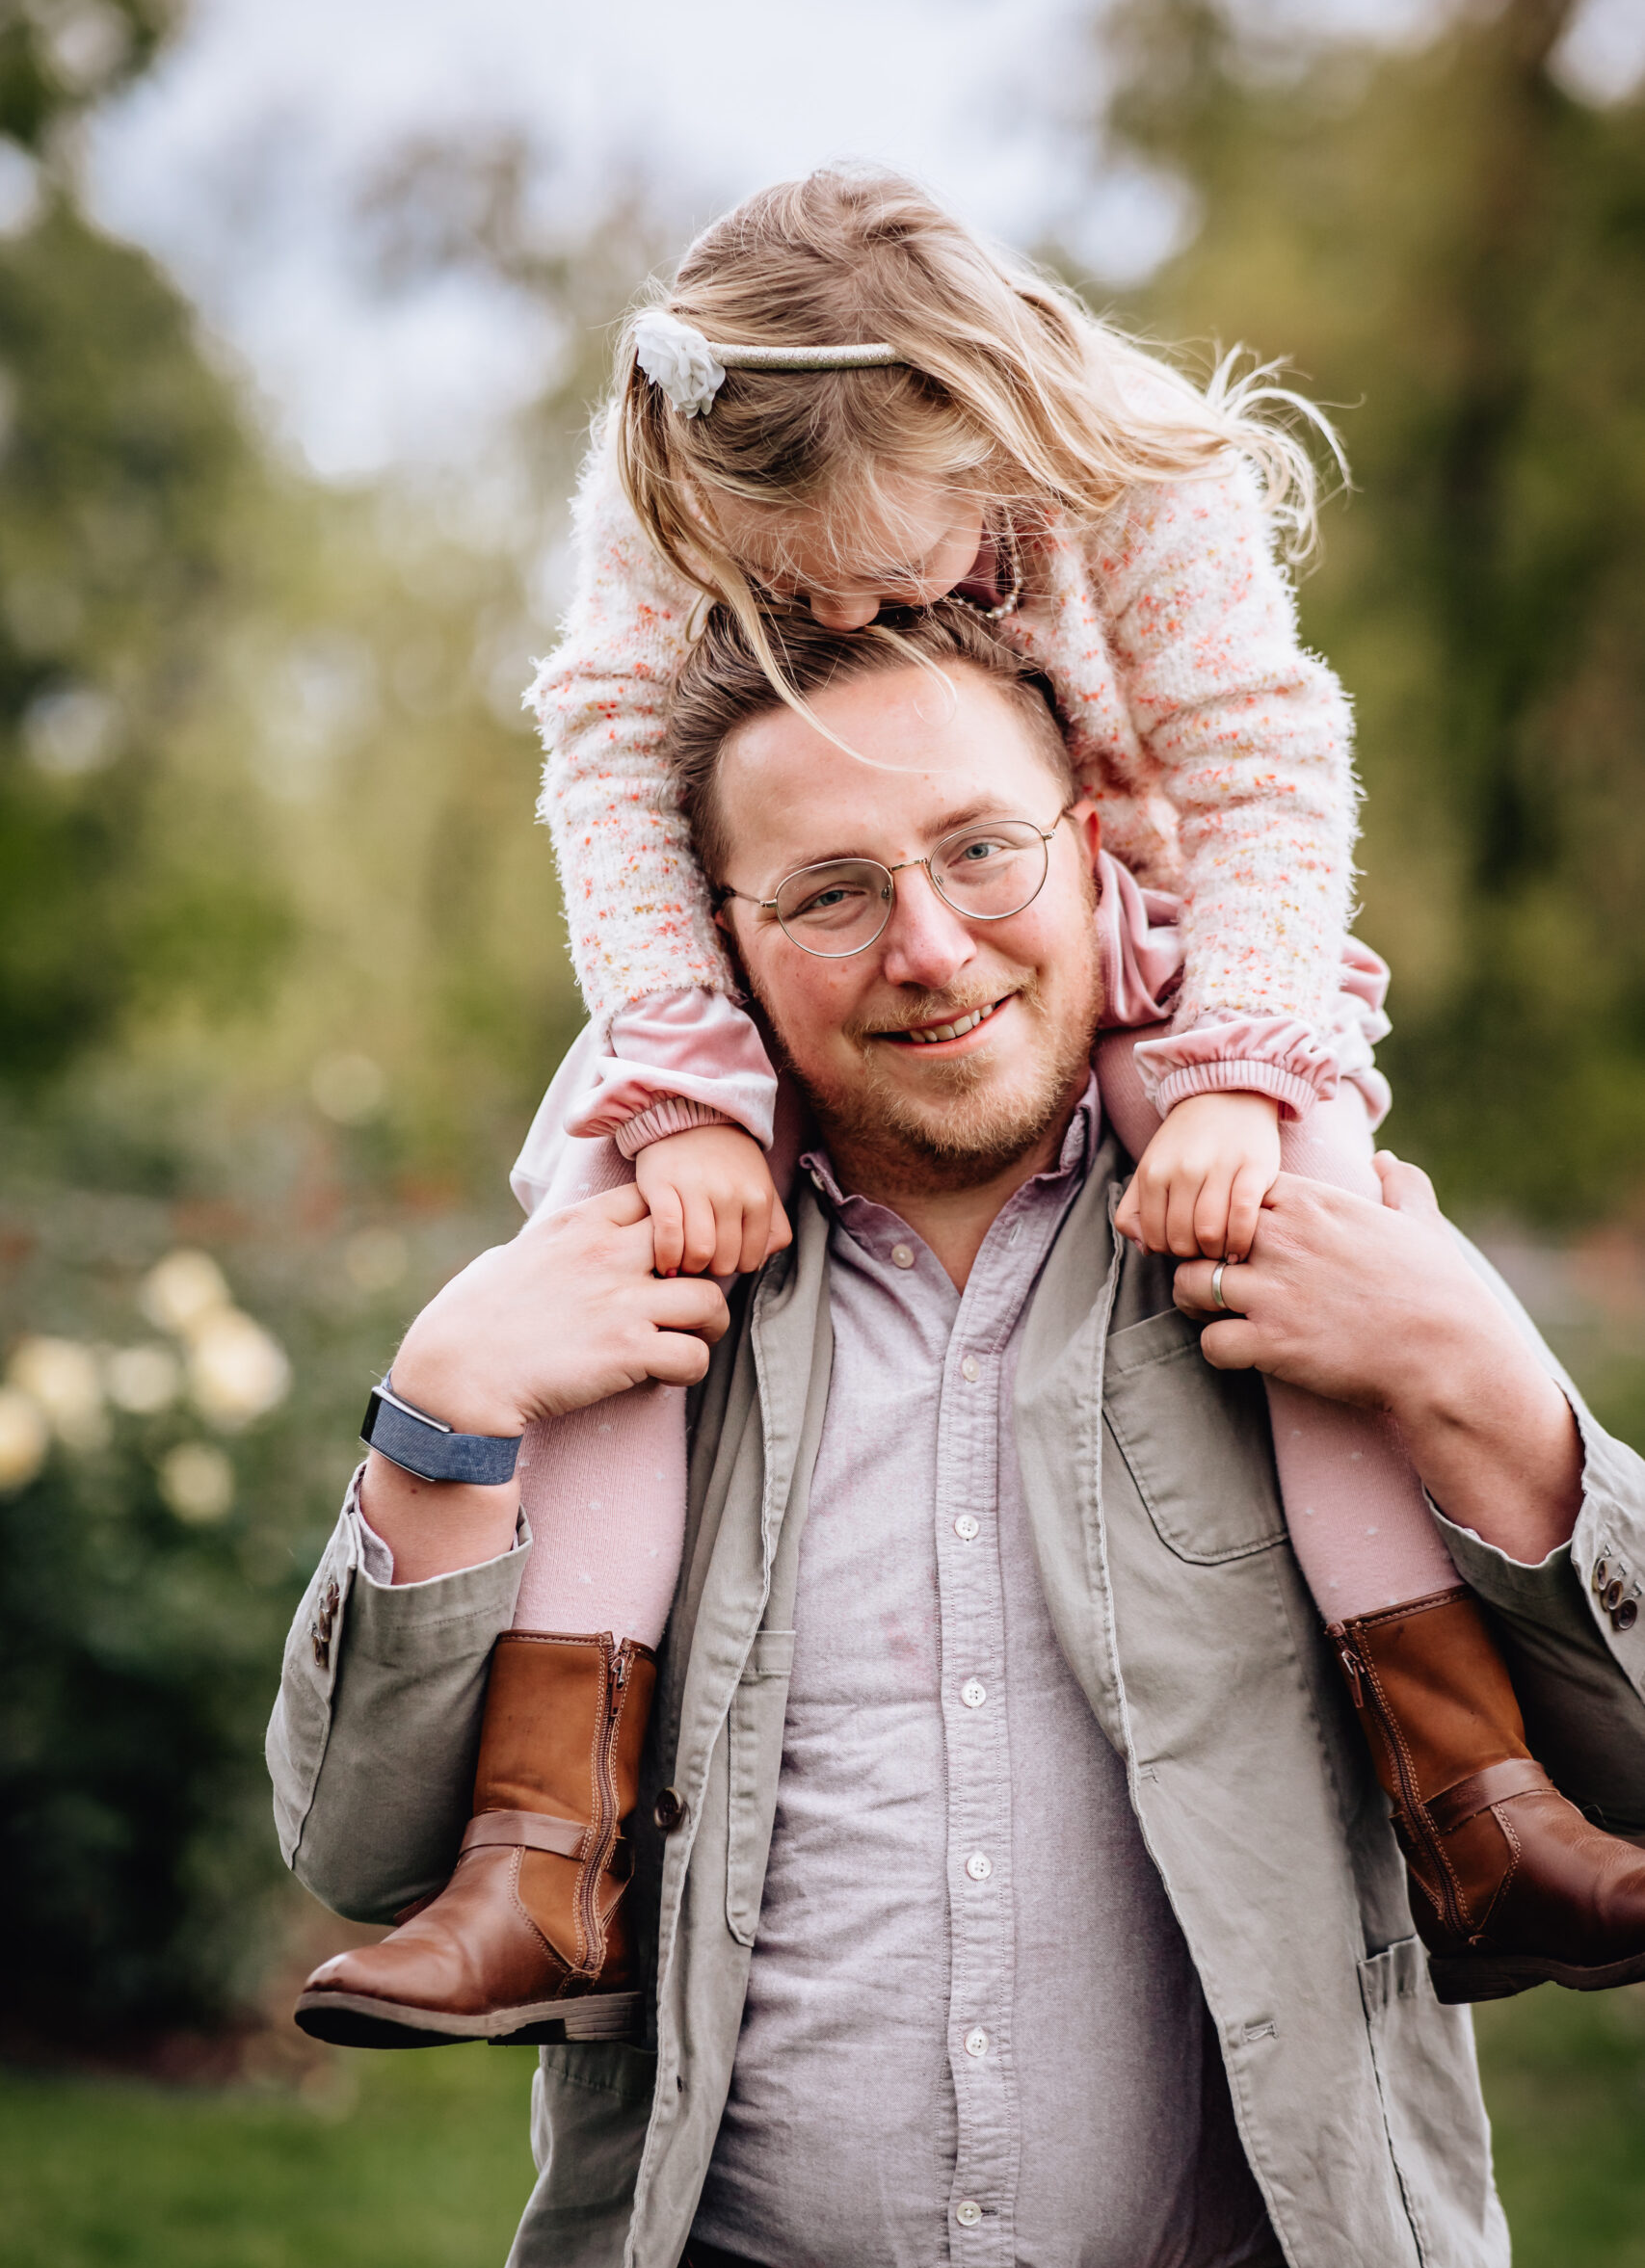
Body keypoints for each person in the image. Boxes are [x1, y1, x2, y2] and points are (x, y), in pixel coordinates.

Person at [294, 164, 1645, 2048]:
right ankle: (542, 1845)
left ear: (988, 431)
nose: (836, 605)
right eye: (791, 584)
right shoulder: (672, 463)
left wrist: (1236, 1079)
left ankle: (1475, 1804)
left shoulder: (1134, 481)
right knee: (611, 1214)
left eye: (880, 566)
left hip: (1126, 914)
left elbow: (1260, 762)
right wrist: (683, 1076)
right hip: (769, 941)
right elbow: (605, 755)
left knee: (1299, 1210)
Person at [269, 607, 1645, 2268]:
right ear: (719, 949)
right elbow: (359, 1852)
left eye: (980, 850)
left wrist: (1488, 1392)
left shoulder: (1312, 1255)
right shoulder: (616, 1301)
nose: (928, 948)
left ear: (1094, 843)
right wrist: (438, 1423)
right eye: (828, 892)